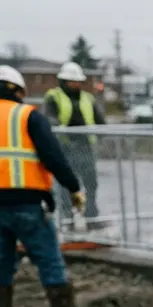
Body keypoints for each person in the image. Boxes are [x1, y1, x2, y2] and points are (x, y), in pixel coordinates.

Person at [0, 65, 100, 307]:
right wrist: (73, 187)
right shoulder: (27, 116)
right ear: (19, 91)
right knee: (49, 261)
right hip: (28, 202)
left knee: (1, 263)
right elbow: (53, 155)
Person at [43, 61, 102, 223]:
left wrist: (102, 133)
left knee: (91, 183)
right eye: (72, 81)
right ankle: (67, 218)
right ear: (63, 81)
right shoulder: (53, 97)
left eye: (77, 81)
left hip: (86, 147)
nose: (75, 84)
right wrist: (61, 130)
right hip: (65, 148)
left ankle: (91, 216)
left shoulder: (88, 98)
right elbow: (50, 118)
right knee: (67, 185)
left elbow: (99, 120)